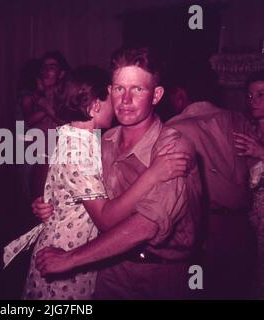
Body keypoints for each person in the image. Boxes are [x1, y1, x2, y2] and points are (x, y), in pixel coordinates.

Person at [34, 47, 202, 299]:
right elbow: (79, 187)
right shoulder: (102, 142)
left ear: (156, 95)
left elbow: (145, 227)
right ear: (110, 91)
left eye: (137, 89)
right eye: (119, 88)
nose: (125, 100)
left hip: (159, 274)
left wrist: (70, 259)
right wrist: (51, 203)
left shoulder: (173, 147)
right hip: (108, 269)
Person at [166, 67, 257, 299]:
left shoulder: (175, 128)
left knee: (201, 291)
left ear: (180, 95)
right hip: (243, 228)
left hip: (205, 228)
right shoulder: (237, 119)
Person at [20, 51, 70, 200]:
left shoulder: (66, 97)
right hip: (35, 152)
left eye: (52, 67)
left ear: (61, 74)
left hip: (57, 154)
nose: (46, 71)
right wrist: (45, 105)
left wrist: (45, 106)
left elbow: (65, 124)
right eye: (44, 67)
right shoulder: (31, 96)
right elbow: (28, 120)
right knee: (34, 197)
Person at [233, 70, 264, 296]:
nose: (254, 101)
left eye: (262, 95)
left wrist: (261, 152)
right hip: (249, 215)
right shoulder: (249, 129)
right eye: (251, 96)